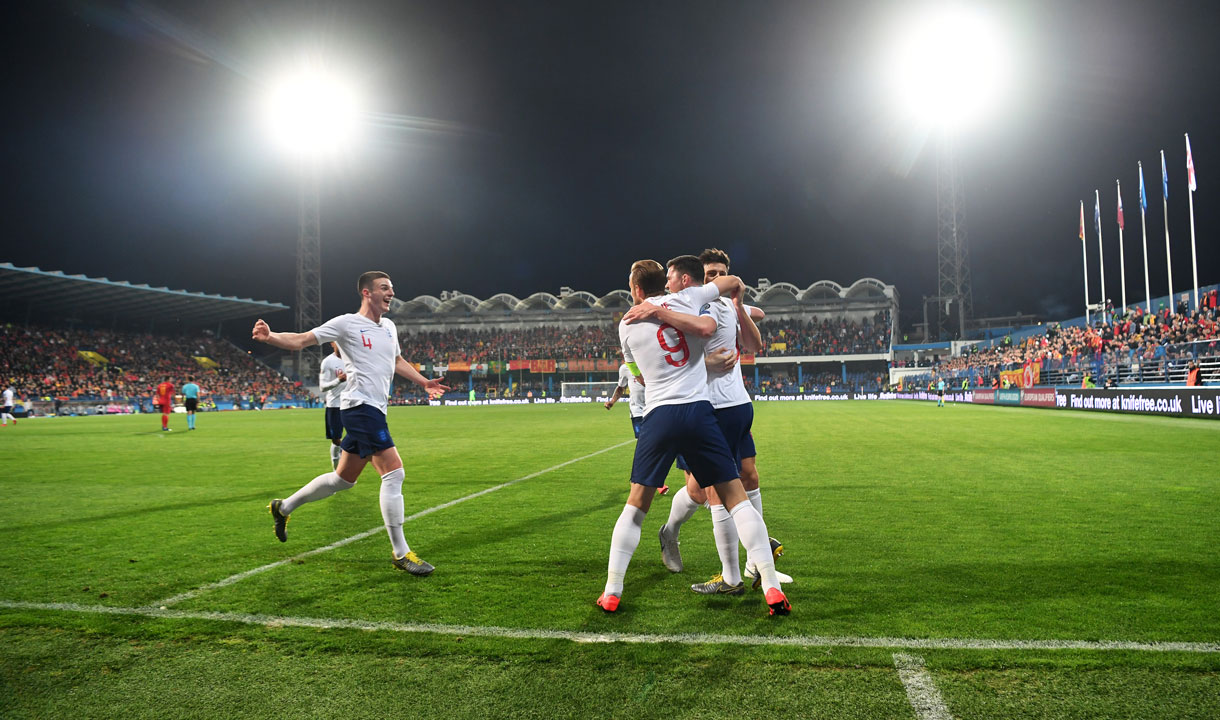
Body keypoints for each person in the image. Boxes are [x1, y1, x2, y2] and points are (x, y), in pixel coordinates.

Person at [597, 257, 789, 616]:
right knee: (737, 499)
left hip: (658, 415)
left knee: (636, 505)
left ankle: (612, 590)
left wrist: (652, 314)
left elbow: (637, 377)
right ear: (666, 282)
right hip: (700, 413)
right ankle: (771, 587)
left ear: (637, 290)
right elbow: (722, 298)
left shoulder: (627, 323)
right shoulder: (690, 299)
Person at [255, 271, 450, 576]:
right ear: (366, 293)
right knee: (394, 472)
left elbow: (397, 361)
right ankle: (401, 553)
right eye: (385, 288)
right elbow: (304, 340)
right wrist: (272, 337)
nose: (391, 293)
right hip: (359, 408)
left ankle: (283, 507)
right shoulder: (345, 323)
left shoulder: (389, 326)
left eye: (392, 288)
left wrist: (424, 382)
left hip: (375, 410)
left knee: (342, 480)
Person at [653, 249, 784, 596]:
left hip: (735, 406)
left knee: (747, 476)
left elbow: (754, 342)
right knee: (704, 491)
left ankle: (756, 564)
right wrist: (702, 365)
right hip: (699, 408)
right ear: (696, 278)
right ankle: (674, 534)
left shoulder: (727, 305)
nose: (716, 279)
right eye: (710, 273)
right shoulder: (684, 307)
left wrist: (743, 307)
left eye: (721, 273)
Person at [318, 342, 348, 469]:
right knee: (336, 440)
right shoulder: (328, 362)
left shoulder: (353, 358)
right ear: (332, 343)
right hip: (335, 405)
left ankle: (347, 457)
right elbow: (322, 387)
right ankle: (336, 470)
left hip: (353, 403)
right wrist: (338, 380)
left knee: (358, 435)